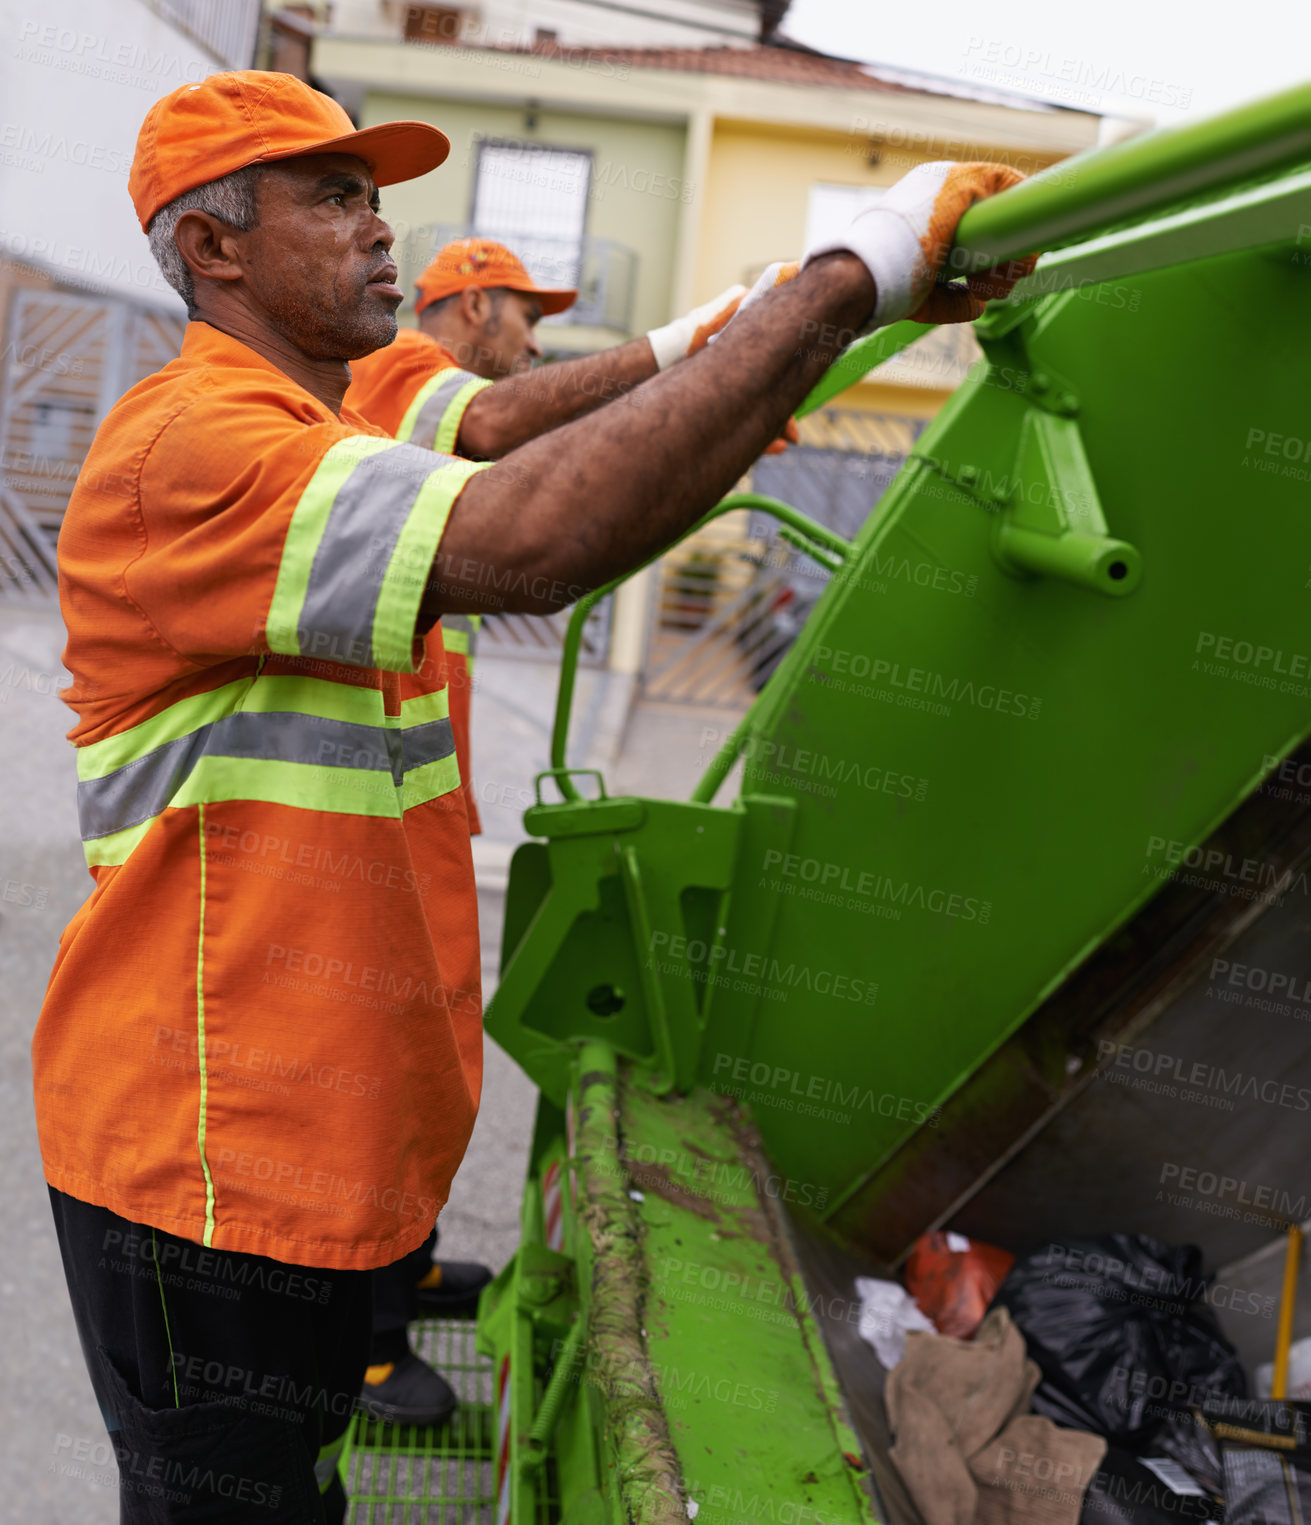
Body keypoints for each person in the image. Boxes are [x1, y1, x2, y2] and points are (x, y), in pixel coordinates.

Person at [32, 67, 1032, 1522]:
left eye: (377, 194)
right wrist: (846, 277)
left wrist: (788, 332)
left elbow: (552, 449)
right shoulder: (195, 446)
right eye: (332, 195)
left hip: (281, 1160)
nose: (381, 227)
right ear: (213, 250)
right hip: (202, 1174)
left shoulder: (323, 432)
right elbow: (542, 523)